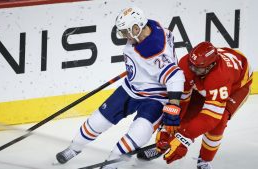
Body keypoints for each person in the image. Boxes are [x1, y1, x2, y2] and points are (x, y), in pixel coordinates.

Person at [55, 6, 185, 169]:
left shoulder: (153, 50)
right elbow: (160, 55)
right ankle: (73, 149)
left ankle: (109, 166)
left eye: (125, 31)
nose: (123, 35)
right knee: (96, 121)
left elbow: (176, 76)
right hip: (130, 89)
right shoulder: (153, 26)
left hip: (156, 98)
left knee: (136, 135)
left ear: (137, 28)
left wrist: (173, 107)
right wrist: (141, 69)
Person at [137, 41, 253, 169]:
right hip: (208, 80)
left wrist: (184, 139)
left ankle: (204, 160)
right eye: (191, 65)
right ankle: (165, 145)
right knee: (188, 113)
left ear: (211, 66)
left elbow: (211, 118)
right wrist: (167, 128)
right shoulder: (187, 64)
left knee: (219, 123)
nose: (192, 70)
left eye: (197, 68)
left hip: (236, 87)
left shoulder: (220, 76)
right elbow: (180, 102)